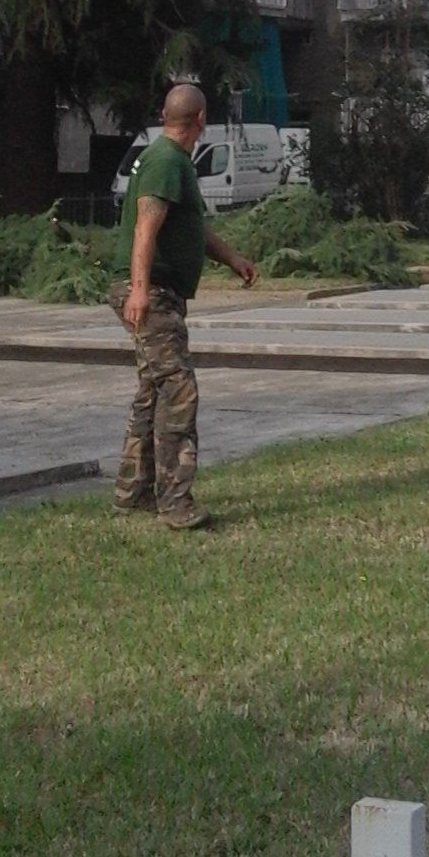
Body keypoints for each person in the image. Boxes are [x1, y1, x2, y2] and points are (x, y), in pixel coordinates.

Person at [108, 81, 256, 529]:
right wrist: (139, 289)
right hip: (151, 292)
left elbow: (191, 229)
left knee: (154, 390)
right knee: (178, 391)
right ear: (200, 120)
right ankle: (176, 503)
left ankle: (132, 493)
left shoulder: (173, 162)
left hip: (153, 290)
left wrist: (232, 258)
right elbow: (145, 230)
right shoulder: (165, 162)